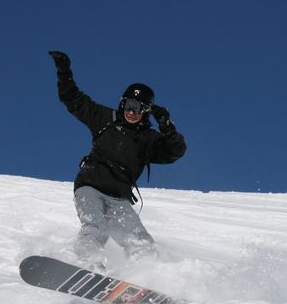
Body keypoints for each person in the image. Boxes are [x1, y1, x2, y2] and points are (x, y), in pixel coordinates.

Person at [48, 50, 187, 268]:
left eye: (138, 108)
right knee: (95, 227)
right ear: (122, 103)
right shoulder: (105, 119)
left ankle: (149, 275)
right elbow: (72, 99)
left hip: (119, 199)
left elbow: (175, 152)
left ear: (146, 111)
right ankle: (88, 265)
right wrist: (64, 72)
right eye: (129, 105)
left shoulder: (148, 139)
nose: (132, 112)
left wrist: (168, 128)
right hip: (90, 186)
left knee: (140, 240)